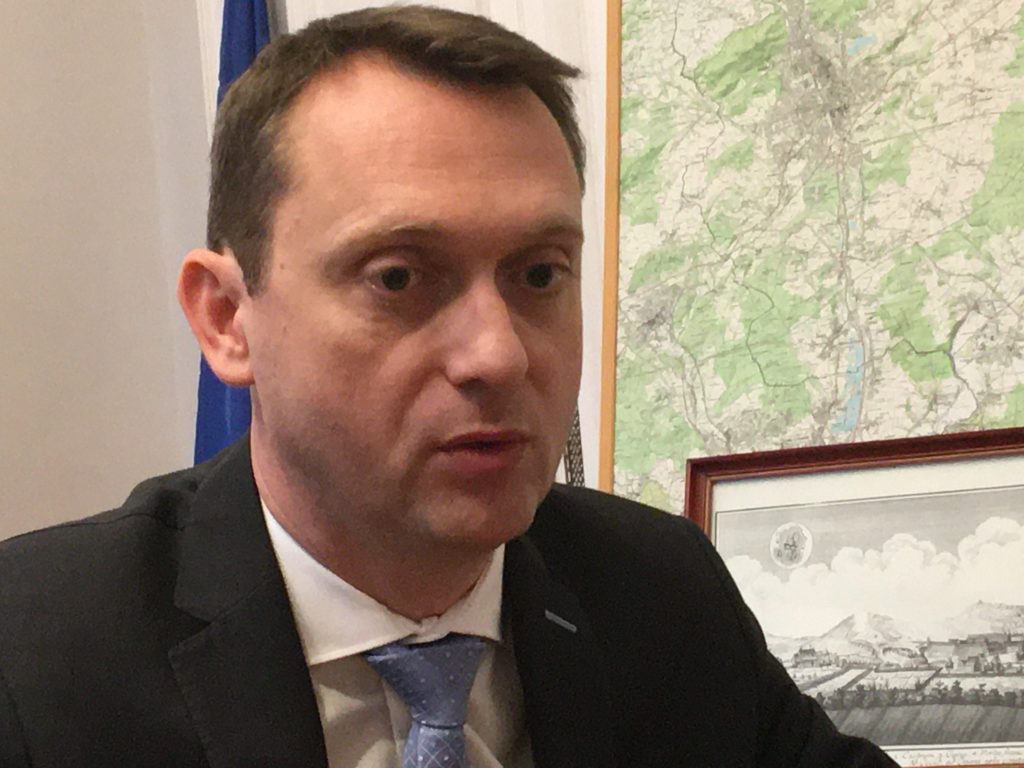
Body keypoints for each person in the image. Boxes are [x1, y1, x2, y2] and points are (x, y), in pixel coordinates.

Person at [0, 6, 898, 767]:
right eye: (398, 277)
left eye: (539, 274)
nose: (498, 356)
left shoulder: (661, 594)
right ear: (228, 318)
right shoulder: (34, 659)